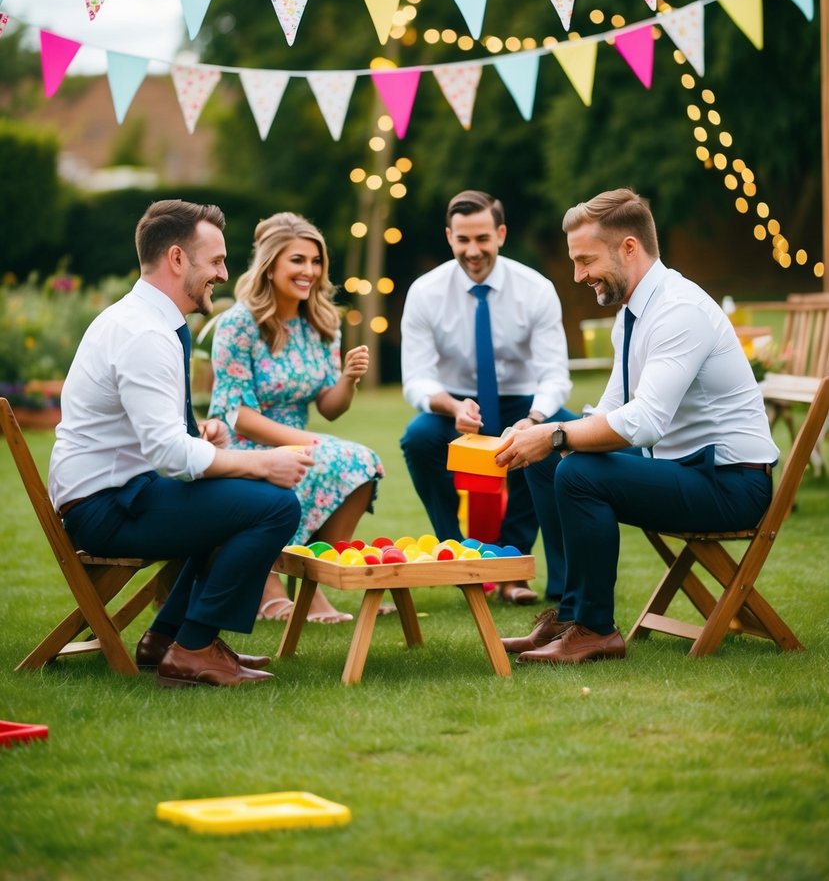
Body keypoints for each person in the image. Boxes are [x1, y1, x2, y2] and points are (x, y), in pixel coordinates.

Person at [496, 187, 778, 664]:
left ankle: (596, 629)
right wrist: (538, 430)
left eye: (585, 261)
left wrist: (557, 437)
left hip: (731, 484)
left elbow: (644, 422)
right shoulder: (631, 312)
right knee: (551, 462)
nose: (578, 275)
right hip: (682, 467)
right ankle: (570, 615)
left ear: (629, 247)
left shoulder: (679, 311)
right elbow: (609, 410)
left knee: (578, 472)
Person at [48, 199, 310, 689]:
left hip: (121, 492)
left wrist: (201, 434)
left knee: (242, 503)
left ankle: (166, 638)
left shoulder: (140, 320)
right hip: (107, 508)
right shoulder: (144, 334)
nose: (223, 273)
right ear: (176, 259)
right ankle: (191, 649)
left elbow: (161, 440)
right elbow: (170, 457)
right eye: (215, 261)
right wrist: (262, 464)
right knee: (274, 506)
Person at [209, 211, 384, 625]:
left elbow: (329, 407)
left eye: (316, 261)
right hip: (241, 441)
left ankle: (313, 587)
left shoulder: (322, 322)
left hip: (296, 437)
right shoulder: (238, 324)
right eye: (298, 260)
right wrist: (304, 442)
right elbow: (237, 414)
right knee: (328, 457)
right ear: (270, 267)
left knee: (364, 462)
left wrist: (349, 379)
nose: (310, 271)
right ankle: (268, 589)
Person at [400, 189, 574, 604]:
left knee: (556, 440)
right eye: (463, 240)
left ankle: (514, 567)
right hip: (456, 404)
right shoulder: (425, 292)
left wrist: (534, 421)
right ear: (449, 237)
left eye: (482, 238)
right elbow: (416, 379)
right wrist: (452, 406)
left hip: (524, 402)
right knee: (418, 439)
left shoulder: (536, 289)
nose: (473, 250)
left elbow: (555, 374)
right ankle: (458, 557)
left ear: (500, 233)